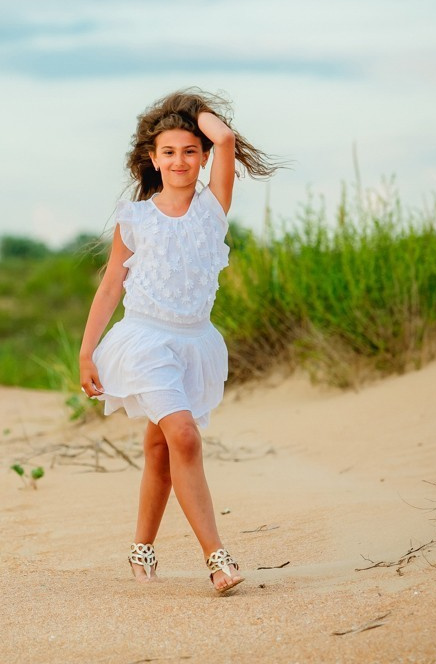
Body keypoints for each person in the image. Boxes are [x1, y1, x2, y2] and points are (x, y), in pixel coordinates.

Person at [78, 88, 279, 594]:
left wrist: (191, 110)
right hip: (144, 340)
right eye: (168, 151)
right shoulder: (136, 218)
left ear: (205, 157)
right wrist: (86, 352)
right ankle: (218, 559)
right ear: (152, 158)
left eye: (191, 150)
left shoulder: (213, 207)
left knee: (159, 448)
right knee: (184, 436)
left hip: (194, 344)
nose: (180, 160)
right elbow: (110, 287)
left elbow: (227, 136)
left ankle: (142, 547)